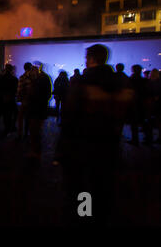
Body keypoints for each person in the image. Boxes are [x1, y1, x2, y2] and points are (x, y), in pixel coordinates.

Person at [60, 44, 133, 225]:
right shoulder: (120, 82)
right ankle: (102, 217)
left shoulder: (82, 82)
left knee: (82, 185)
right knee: (104, 185)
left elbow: (69, 118)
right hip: (110, 144)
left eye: (87, 57)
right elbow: (130, 113)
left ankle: (83, 217)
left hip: (83, 145)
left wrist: (62, 149)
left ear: (91, 59)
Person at [26, 62, 52, 160]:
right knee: (36, 130)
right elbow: (48, 94)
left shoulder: (38, 79)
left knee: (34, 131)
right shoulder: (44, 78)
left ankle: (35, 152)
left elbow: (33, 94)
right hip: (40, 108)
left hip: (35, 108)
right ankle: (36, 151)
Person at [0, 63, 18, 138]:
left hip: (1, 99)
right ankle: (7, 131)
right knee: (8, 116)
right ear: (11, 70)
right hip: (10, 100)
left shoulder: (0, 78)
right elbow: (15, 90)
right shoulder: (14, 79)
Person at [129, 64, 151, 144]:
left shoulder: (131, 79)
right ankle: (148, 138)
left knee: (134, 122)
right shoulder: (144, 80)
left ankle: (135, 140)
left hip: (134, 102)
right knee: (143, 121)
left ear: (133, 70)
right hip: (143, 102)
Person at [16, 62, 35, 140]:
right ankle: (27, 133)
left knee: (20, 118)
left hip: (24, 100)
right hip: (32, 101)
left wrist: (19, 98)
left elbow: (19, 89)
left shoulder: (22, 77)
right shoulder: (34, 77)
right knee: (29, 118)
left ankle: (20, 134)